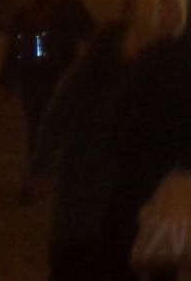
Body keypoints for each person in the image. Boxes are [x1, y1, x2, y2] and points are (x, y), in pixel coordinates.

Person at [107, 0, 191, 281]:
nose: (163, 16)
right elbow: (126, 101)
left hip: (176, 165)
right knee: (123, 239)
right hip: (135, 160)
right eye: (161, 9)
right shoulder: (151, 53)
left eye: (171, 10)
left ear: (187, 16)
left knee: (165, 239)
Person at [26, 21, 132, 280]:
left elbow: (52, 123)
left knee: (81, 248)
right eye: (131, 40)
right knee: (81, 250)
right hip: (93, 178)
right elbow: (53, 122)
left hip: (94, 180)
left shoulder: (119, 77)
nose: (135, 46)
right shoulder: (96, 76)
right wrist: (40, 167)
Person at [2, 0, 95, 156]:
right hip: (58, 72)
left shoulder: (29, 5)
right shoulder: (71, 5)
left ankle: (34, 165)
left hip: (30, 73)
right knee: (57, 121)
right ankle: (48, 167)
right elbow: (90, 32)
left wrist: (6, 79)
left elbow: (14, 43)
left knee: (35, 123)